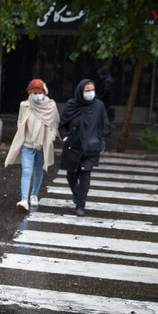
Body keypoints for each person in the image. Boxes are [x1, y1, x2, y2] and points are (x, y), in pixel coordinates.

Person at [4, 79, 60, 211]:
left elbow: (54, 124)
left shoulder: (51, 106)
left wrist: (50, 138)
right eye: (33, 92)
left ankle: (34, 195)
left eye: (38, 92)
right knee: (27, 171)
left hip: (42, 145)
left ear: (44, 92)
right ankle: (24, 199)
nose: (36, 95)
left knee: (39, 171)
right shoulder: (25, 105)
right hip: (27, 145)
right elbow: (20, 121)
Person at [59, 79, 111, 217]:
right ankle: (77, 194)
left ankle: (80, 205)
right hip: (73, 146)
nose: (90, 93)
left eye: (92, 90)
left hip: (90, 148)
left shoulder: (98, 105)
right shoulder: (71, 105)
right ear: (80, 91)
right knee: (71, 176)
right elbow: (62, 124)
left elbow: (105, 124)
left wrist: (99, 138)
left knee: (85, 175)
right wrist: (65, 137)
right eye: (87, 91)